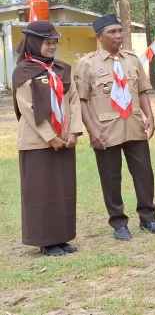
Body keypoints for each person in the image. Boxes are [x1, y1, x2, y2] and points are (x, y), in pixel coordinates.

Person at [76, 15, 155, 241]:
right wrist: (92, 131)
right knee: (111, 178)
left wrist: (150, 117)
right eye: (112, 32)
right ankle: (118, 223)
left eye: (120, 31)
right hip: (105, 129)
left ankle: (149, 218)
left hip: (134, 125)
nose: (118, 35)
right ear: (99, 37)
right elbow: (82, 101)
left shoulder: (132, 59)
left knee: (144, 173)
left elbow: (142, 91)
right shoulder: (87, 64)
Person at [13, 21, 83, 256]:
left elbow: (74, 101)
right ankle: (46, 241)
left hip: (64, 139)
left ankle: (61, 237)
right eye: (47, 42)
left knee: (63, 190)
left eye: (54, 42)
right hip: (37, 143)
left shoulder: (62, 69)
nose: (52, 46)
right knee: (41, 193)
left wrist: (73, 131)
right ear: (34, 43)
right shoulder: (23, 72)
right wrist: (50, 137)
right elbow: (28, 108)